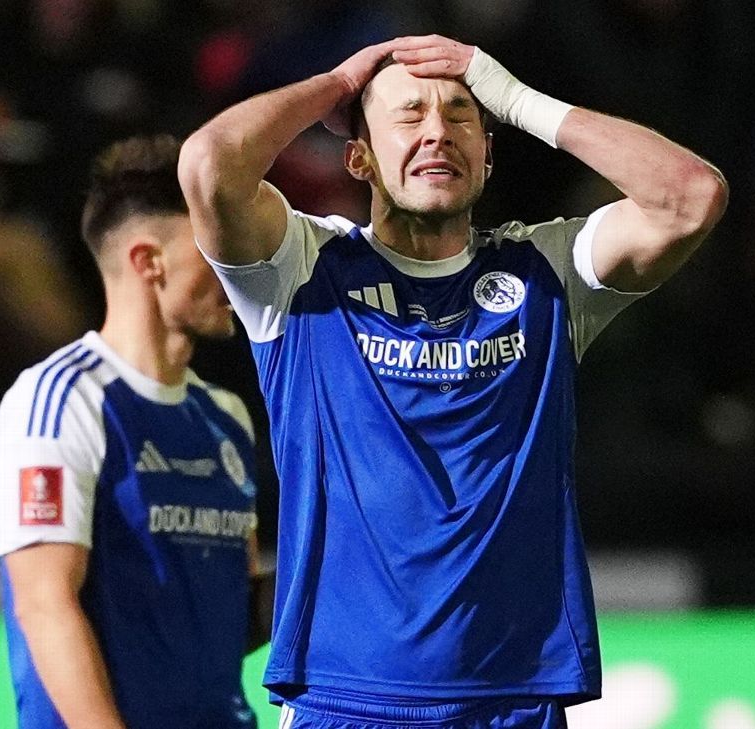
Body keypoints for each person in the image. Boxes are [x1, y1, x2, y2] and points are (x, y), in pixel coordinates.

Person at [178, 35, 727, 728]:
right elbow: (208, 166)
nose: (437, 132)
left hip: (513, 700)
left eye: (462, 115)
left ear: (489, 155)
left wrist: (522, 101)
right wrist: (338, 83)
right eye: (408, 116)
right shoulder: (300, 271)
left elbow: (690, 197)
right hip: (348, 696)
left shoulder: (545, 274)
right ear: (360, 157)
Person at [0, 135, 273, 729]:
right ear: (149, 262)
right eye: (215, 249)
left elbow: (229, 613)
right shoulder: (60, 400)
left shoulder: (225, 415)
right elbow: (45, 606)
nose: (238, 266)